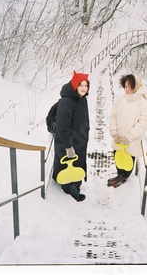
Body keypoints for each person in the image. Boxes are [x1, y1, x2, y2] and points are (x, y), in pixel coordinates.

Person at [108, 74, 147, 187]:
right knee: (117, 157)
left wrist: (130, 136)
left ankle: (124, 177)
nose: (127, 89)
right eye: (125, 86)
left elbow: (143, 123)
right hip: (119, 137)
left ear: (136, 86)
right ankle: (119, 175)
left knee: (127, 160)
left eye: (130, 86)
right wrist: (114, 133)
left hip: (131, 140)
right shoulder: (121, 100)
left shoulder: (143, 103)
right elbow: (113, 116)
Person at [52, 71, 90, 201]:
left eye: (86, 85)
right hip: (67, 143)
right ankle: (69, 188)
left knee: (77, 164)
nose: (84, 88)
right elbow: (62, 127)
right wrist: (68, 147)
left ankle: (76, 184)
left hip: (79, 141)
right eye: (81, 85)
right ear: (74, 85)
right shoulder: (67, 102)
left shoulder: (82, 99)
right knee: (66, 165)